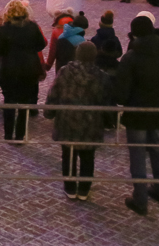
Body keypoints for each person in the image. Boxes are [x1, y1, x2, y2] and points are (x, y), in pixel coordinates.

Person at [114, 14, 159, 216]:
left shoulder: (131, 57)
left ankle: (140, 199)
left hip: (137, 114)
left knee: (137, 155)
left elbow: (121, 93)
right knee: (157, 149)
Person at [45, 41, 110, 200]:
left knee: (68, 155)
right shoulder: (101, 76)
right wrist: (108, 121)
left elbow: (54, 92)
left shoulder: (65, 71)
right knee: (88, 157)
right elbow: (106, 100)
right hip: (91, 122)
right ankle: (84, 189)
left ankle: (70, 187)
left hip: (68, 119)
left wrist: (50, 111)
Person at [0, 0, 48, 141]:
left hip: (10, 70)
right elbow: (41, 44)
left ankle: (7, 134)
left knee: (9, 102)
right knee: (25, 103)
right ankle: (20, 135)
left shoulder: (5, 29)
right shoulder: (32, 27)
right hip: (29, 70)